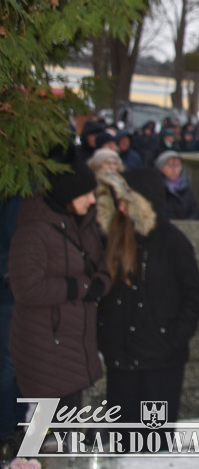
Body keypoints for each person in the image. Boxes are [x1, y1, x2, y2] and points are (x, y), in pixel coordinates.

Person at [95, 168, 199, 426]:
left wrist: (172, 339)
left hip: (161, 363)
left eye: (126, 201)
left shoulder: (174, 242)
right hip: (121, 362)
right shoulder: (111, 239)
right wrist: (105, 338)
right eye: (117, 201)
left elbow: (193, 297)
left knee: (155, 441)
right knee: (124, 441)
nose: (121, 208)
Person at [9, 160, 108, 411]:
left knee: (67, 419)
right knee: (41, 420)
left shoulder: (84, 225)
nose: (92, 200)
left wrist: (101, 283)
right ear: (67, 194)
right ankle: (29, 451)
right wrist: (82, 288)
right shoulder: (34, 232)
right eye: (85, 194)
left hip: (75, 342)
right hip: (45, 343)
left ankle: (62, 449)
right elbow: (26, 288)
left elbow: (101, 266)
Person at [156, 150, 199, 220]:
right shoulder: (157, 186)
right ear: (161, 168)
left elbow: (194, 210)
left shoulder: (186, 186)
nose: (175, 169)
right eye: (171, 165)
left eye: (178, 165)